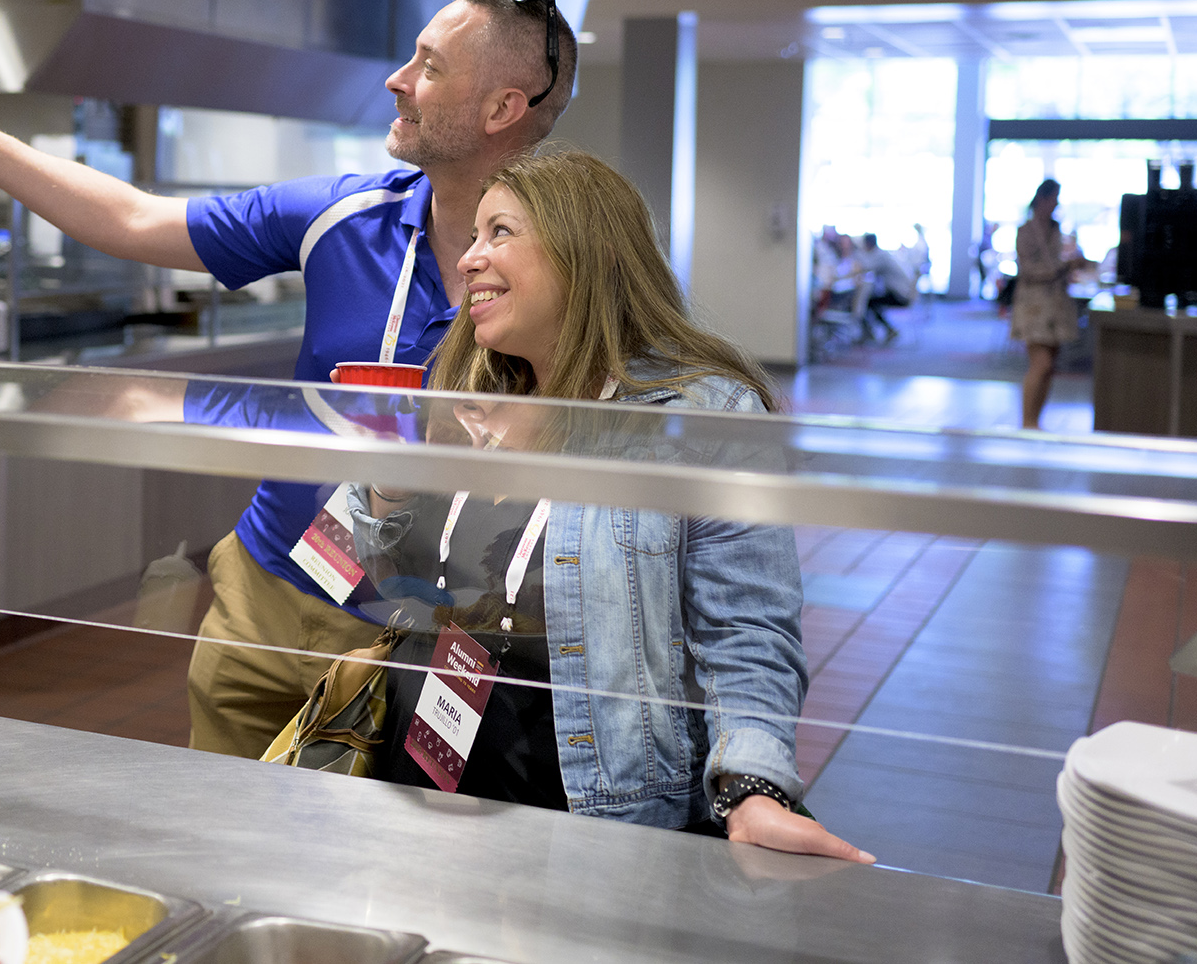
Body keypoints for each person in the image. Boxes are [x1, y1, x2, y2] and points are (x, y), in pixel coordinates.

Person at [0, 0, 576, 758]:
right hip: (267, 589)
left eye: (429, 65)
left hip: (422, 630)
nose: (397, 79)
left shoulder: (569, 274)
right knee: (220, 835)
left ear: (500, 109)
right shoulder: (343, 216)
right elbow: (135, 219)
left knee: (374, 855)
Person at [346, 149, 870, 861]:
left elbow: (748, 630)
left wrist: (753, 786)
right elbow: (404, 586)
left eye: (499, 232)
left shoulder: (698, 415)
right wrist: (389, 492)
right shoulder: (475, 391)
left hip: (584, 804)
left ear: (581, 250)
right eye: (471, 237)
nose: (469, 258)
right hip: (432, 768)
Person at [1012, 179, 1081, 429]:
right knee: (1041, 363)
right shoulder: (1026, 231)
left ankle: (1034, 420)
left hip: (1056, 305)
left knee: (1049, 366)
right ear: (1042, 199)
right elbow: (1030, 270)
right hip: (1034, 307)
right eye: (1053, 198)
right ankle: (1027, 421)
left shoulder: (1055, 229)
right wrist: (1064, 266)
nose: (1056, 204)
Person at [851, 231, 915, 344]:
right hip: (901, 291)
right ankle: (878, 330)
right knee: (872, 301)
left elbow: (866, 268)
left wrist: (857, 253)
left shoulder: (880, 256)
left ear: (868, 244)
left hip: (901, 294)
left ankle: (879, 331)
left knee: (870, 303)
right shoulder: (882, 254)